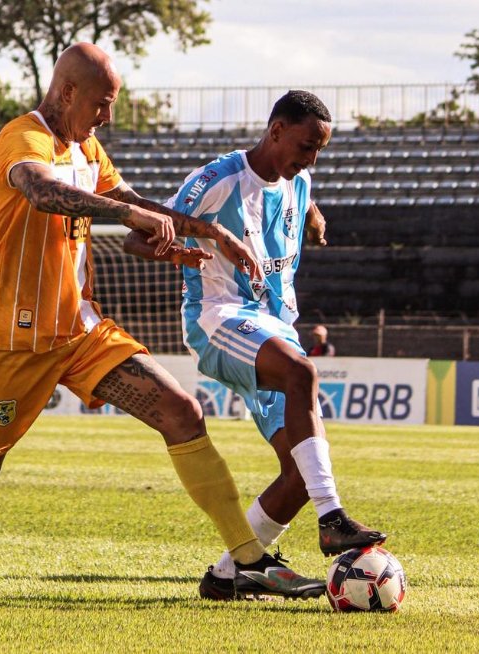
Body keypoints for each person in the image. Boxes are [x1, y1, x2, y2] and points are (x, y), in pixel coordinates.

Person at [0, 43, 325, 601]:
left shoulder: (88, 146)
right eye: (102, 103)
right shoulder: (24, 139)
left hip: (79, 331)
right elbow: (43, 192)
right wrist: (130, 214)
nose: (107, 117)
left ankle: (248, 559)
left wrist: (204, 232)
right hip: (8, 341)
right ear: (67, 92)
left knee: (181, 412)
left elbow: (128, 198)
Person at [125, 90, 386, 601]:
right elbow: (136, 237)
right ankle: (332, 518)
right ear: (275, 131)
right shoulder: (217, 180)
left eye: (318, 151)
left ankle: (228, 575)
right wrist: (182, 252)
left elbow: (296, 190)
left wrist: (312, 212)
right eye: (306, 146)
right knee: (304, 374)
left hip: (274, 328)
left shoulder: (299, 178)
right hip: (218, 319)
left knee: (296, 474)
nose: (311, 159)